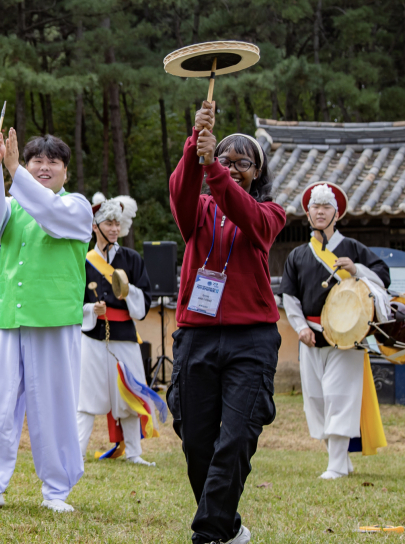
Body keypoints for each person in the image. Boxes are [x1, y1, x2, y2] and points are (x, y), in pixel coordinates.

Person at [167, 100, 287, 544]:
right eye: (224, 158)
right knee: (197, 443)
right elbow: (181, 193)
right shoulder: (197, 210)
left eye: (243, 162)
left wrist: (213, 171)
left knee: (235, 439)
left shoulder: (270, 214)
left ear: (258, 172)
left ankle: (208, 535)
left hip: (250, 340)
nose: (232, 167)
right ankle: (229, 527)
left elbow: (245, 216)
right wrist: (192, 150)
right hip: (196, 335)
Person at [0, 128, 93, 512]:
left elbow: (49, 214)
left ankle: (56, 491)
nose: (44, 166)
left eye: (53, 161)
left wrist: (17, 171)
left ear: (66, 171)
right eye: (37, 159)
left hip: (52, 320)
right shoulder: (13, 204)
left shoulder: (78, 207)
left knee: (53, 404)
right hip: (11, 317)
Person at [279, 182, 389, 480]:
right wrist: (300, 328)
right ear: (308, 212)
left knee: (339, 396)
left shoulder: (353, 248)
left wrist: (356, 270)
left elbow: (383, 278)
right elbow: (289, 296)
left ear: (336, 213)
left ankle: (337, 464)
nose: (320, 211)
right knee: (316, 400)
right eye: (316, 206)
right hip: (312, 335)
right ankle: (338, 458)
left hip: (347, 336)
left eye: (327, 207)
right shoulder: (298, 256)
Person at [76, 193, 164, 467]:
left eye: (117, 223)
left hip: (125, 333)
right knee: (87, 396)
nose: (114, 228)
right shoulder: (82, 259)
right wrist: (91, 310)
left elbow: (145, 300)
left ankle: (134, 452)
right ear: (95, 226)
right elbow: (71, 301)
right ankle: (75, 452)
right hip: (92, 335)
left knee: (129, 393)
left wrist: (127, 292)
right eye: (108, 223)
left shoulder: (132, 258)